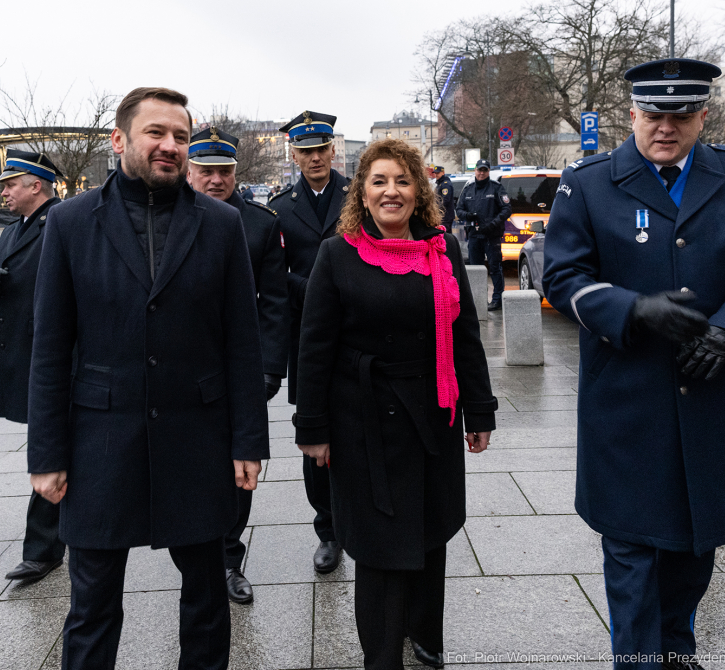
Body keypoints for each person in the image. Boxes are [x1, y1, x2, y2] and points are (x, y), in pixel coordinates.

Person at [541, 58, 725, 670]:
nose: (666, 127)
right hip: (625, 400)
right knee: (631, 549)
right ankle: (637, 660)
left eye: (681, 115)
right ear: (632, 114)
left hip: (706, 395)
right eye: (653, 114)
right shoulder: (588, 182)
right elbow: (563, 274)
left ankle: (676, 649)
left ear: (702, 115)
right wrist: (633, 311)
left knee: (694, 545)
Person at [27, 87, 269, 670]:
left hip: (198, 439)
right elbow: (51, 348)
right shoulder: (69, 222)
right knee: (92, 604)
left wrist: (248, 442)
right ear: (120, 140)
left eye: (180, 136)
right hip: (100, 443)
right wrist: (46, 453)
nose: (170, 146)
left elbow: (241, 340)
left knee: (208, 599)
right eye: (156, 133)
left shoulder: (221, 223)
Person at [294, 139, 497, 670]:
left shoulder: (441, 248)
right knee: (382, 546)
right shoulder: (337, 254)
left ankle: (427, 637)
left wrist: (480, 411)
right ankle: (382, 656)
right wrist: (312, 426)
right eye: (379, 181)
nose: (392, 191)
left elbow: (465, 334)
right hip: (365, 420)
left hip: (434, 412)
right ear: (362, 192)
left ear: (418, 191)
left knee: (432, 529)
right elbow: (314, 347)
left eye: (402, 181)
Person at [186, 127, 290, 605]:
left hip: (238, 365)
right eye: (204, 171)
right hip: (181, 365)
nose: (214, 180)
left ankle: (229, 558)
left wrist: (271, 366)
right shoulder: (166, 218)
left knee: (241, 461)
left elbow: (273, 302)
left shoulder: (261, 224)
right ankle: (193, 551)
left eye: (223, 171)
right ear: (190, 171)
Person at [0, 150, 66, 584]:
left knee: (53, 448)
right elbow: (6, 281)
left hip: (53, 357)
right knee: (52, 446)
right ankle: (48, 546)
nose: (3, 190)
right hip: (22, 353)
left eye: (10, 183)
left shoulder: (64, 222)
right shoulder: (14, 231)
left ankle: (43, 549)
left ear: (36, 185)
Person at [268, 110, 351, 574]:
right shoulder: (279, 207)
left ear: (332, 150)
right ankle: (328, 529)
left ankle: (361, 517)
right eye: (306, 151)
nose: (315, 157)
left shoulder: (358, 195)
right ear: (294, 155)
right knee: (313, 431)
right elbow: (273, 275)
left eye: (322, 149)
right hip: (307, 337)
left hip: (359, 328)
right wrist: (317, 289)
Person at [456, 159, 510, 312]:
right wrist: (468, 215)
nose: (481, 173)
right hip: (474, 236)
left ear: (488, 171)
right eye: (479, 170)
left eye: (484, 170)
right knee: (475, 270)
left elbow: (506, 209)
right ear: (475, 171)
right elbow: (459, 210)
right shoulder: (468, 189)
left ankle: (497, 300)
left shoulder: (496, 188)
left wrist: (492, 224)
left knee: (495, 268)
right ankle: (477, 301)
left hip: (491, 236)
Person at [431, 165, 455, 233]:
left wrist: (437, 210)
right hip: (442, 215)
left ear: (443, 172)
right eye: (435, 173)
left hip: (445, 216)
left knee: (445, 236)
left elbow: (445, 200)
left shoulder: (445, 184)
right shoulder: (440, 184)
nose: (436, 175)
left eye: (438, 173)